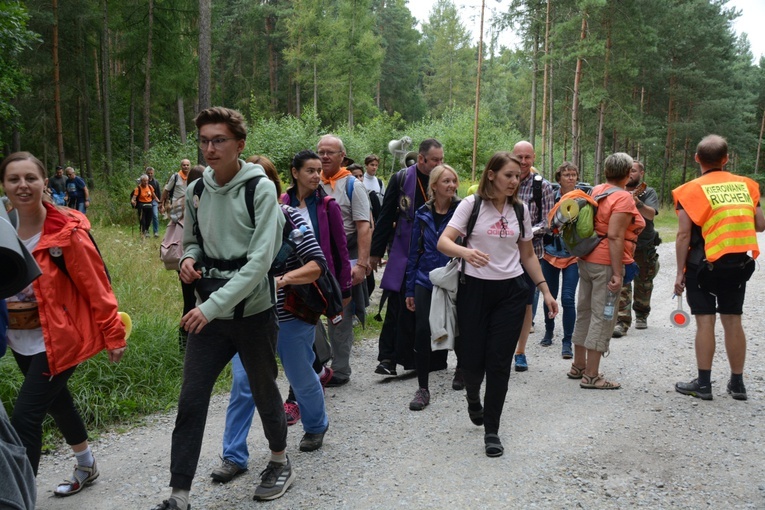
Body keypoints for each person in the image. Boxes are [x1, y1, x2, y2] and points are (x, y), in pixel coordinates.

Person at [152, 107, 290, 510]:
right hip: (211, 312)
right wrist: (188, 260)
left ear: (239, 145)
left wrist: (209, 308)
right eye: (204, 141)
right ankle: (179, 493)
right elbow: (192, 242)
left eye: (219, 140)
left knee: (264, 389)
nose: (210, 149)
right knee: (191, 399)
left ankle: (279, 461)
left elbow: (260, 263)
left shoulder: (260, 189)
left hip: (252, 313)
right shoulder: (197, 190)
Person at [0, 151, 126, 496]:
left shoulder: (66, 232)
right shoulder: (1, 228)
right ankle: (86, 464)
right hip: (19, 336)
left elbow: (96, 286)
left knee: (25, 418)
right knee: (56, 401)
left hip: (59, 338)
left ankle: (18, 499)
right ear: (4, 185)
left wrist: (114, 334)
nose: (22, 185)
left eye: (30, 178)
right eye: (14, 179)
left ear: (45, 182)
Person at [211, 155, 330, 486]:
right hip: (246, 319)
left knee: (298, 373)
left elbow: (316, 265)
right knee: (242, 383)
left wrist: (282, 279)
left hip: (288, 315)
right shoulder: (231, 224)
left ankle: (316, 425)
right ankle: (234, 456)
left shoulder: (289, 217)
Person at [437, 151, 557, 457]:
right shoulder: (472, 205)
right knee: (473, 360)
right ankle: (473, 395)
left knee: (499, 362)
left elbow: (528, 254)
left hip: (512, 292)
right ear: (491, 175)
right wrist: (466, 253)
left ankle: (492, 430)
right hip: (474, 290)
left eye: (518, 176)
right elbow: (445, 241)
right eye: (509, 175)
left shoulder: (520, 210)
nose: (515, 182)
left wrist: (544, 290)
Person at [673, 134, 765, 402]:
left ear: (697, 159)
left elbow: (683, 235)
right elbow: (760, 225)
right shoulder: (747, 185)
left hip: (702, 264)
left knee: (705, 322)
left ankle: (703, 384)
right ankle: (737, 384)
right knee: (733, 320)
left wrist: (680, 273)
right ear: (726, 159)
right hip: (737, 263)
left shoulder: (689, 190)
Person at [370, 139, 451, 382]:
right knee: (397, 303)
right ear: (422, 159)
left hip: (434, 253)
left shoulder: (444, 179)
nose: (439, 164)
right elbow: (386, 217)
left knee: (431, 307)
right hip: (404, 249)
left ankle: (431, 359)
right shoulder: (401, 178)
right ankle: (388, 358)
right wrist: (375, 253)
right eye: (434, 160)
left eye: (441, 159)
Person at [282, 150, 352, 424]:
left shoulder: (327, 205)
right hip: (292, 286)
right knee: (300, 344)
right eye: (309, 170)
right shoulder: (281, 203)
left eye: (317, 171)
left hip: (320, 283)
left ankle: (305, 389)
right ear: (294, 172)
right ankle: (308, 383)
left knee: (301, 345)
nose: (315, 176)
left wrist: (344, 288)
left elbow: (340, 249)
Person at [567, 152, 645, 390]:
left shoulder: (598, 190)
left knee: (585, 311)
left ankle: (578, 365)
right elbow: (615, 235)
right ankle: (592, 375)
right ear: (626, 173)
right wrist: (617, 272)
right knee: (603, 315)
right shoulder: (623, 198)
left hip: (587, 258)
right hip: (605, 263)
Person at [404, 164, 461, 411]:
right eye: (446, 181)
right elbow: (413, 252)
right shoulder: (422, 213)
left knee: (459, 325)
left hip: (455, 276)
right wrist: (409, 289)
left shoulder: (463, 210)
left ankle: (462, 368)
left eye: (454, 181)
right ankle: (423, 388)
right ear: (434, 186)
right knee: (422, 329)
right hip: (425, 278)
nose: (451, 185)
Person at [317, 134, 372, 387]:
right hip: (315, 259)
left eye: (330, 152)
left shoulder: (353, 185)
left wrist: (361, 264)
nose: (325, 156)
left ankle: (339, 370)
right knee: (308, 312)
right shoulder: (312, 181)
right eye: (321, 152)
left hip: (345, 259)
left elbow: (364, 226)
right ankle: (321, 359)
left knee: (340, 315)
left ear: (342, 156)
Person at [513, 141, 555, 371]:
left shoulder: (543, 187)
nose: (522, 161)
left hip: (531, 254)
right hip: (502, 256)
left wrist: (525, 234)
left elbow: (547, 222)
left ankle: (520, 352)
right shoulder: (501, 181)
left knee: (526, 305)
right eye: (518, 156)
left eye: (527, 157)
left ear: (533, 158)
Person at [612, 160, 660, 337]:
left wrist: (637, 202)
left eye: (633, 170)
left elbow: (650, 215)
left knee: (644, 283)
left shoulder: (648, 192)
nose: (630, 173)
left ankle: (641, 313)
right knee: (623, 282)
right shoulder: (616, 191)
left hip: (644, 244)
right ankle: (622, 322)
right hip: (623, 244)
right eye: (628, 170)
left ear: (641, 174)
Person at [539, 162, 580, 359]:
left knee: (568, 298)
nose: (571, 178)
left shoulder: (583, 199)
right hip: (550, 253)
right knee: (550, 296)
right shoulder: (550, 198)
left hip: (573, 256)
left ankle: (567, 341)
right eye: (566, 175)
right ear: (559, 178)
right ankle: (548, 332)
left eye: (573, 175)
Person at [159, 159, 194, 350]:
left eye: (188, 166)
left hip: (181, 255)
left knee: (188, 301)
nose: (185, 167)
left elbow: (173, 218)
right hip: (192, 259)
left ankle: (184, 344)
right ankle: (188, 345)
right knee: (194, 302)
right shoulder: (200, 201)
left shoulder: (181, 203)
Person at [130, 174, 159, 238]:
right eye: (144, 181)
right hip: (142, 205)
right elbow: (134, 197)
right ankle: (143, 233)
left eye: (147, 181)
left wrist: (159, 201)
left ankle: (146, 230)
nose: (146, 182)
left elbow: (154, 196)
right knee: (142, 220)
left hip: (149, 205)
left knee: (149, 220)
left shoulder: (150, 187)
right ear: (141, 181)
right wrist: (133, 201)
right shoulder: (138, 188)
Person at [362, 154, 385, 222]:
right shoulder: (360, 181)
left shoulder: (380, 182)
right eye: (372, 165)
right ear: (366, 165)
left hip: (377, 218)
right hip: (364, 217)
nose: (374, 167)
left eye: (376, 165)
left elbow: (383, 201)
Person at [145, 167, 162, 237]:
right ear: (146, 173)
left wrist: (160, 203)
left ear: (153, 173)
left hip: (154, 201)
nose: (150, 175)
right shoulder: (144, 181)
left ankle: (156, 232)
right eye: (148, 173)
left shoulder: (156, 182)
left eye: (151, 173)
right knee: (147, 217)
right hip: (145, 201)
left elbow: (158, 193)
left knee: (155, 215)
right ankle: (146, 231)